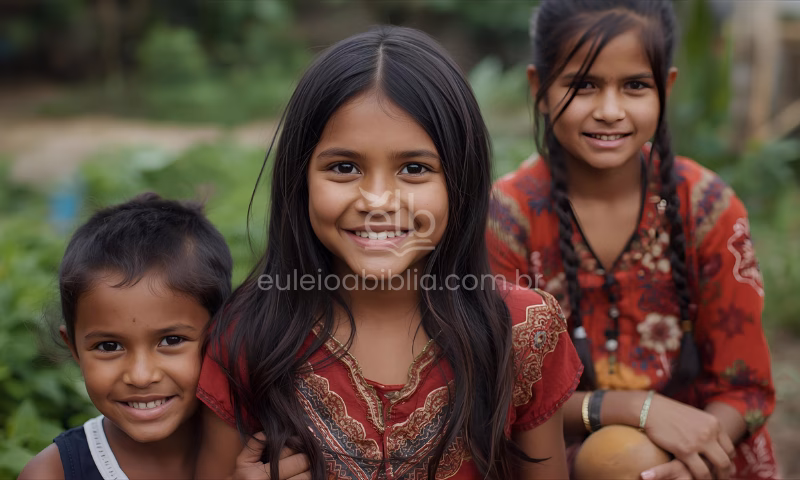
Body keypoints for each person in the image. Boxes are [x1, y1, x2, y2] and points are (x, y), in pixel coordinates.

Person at [195, 26, 583, 480]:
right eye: (344, 167)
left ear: (462, 181)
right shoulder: (248, 335)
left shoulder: (522, 331)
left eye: (414, 169)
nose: (378, 200)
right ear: (299, 180)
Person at [486, 1, 778, 479]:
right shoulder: (505, 219)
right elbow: (493, 395)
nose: (609, 110)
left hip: (706, 451)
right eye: (583, 86)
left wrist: (693, 459)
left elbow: (745, 388)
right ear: (539, 89)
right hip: (558, 455)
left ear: (667, 88)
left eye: (635, 85)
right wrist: (632, 408)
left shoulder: (707, 208)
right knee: (622, 455)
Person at [18, 193, 234, 480]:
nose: (141, 376)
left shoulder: (265, 451)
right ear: (75, 349)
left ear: (225, 335)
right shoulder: (51, 475)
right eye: (109, 346)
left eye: (171, 340)